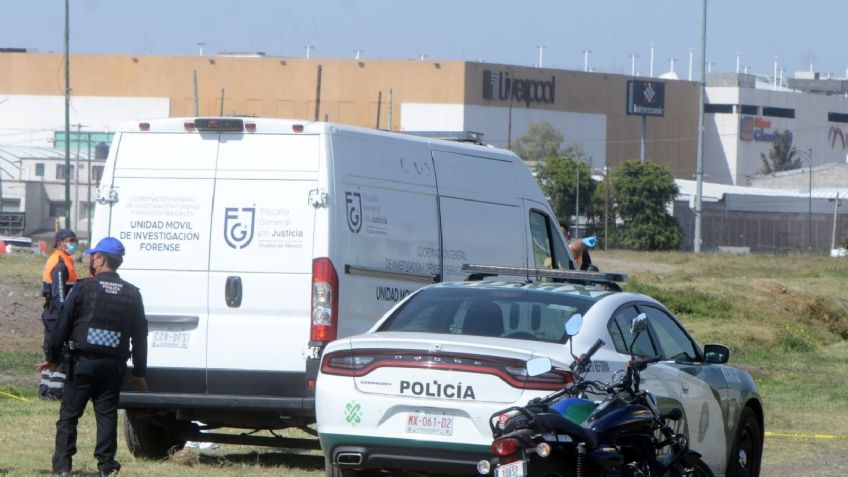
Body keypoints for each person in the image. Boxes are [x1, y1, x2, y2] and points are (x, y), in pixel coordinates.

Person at [36, 237, 148, 477]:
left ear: (101, 259)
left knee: (69, 416)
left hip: (81, 365)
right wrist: (139, 373)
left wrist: (53, 357)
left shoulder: (84, 288)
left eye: (93, 256)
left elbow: (63, 325)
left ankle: (63, 467)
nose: (90, 259)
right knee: (106, 416)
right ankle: (107, 467)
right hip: (112, 366)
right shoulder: (132, 294)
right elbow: (140, 336)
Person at [39, 228, 78, 400]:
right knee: (62, 353)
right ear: (60, 243)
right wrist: (65, 315)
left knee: (52, 353)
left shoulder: (62, 259)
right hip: (57, 315)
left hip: (51, 313)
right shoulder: (61, 264)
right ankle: (54, 392)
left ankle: (45, 390)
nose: (73, 244)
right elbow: (59, 294)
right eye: (71, 240)